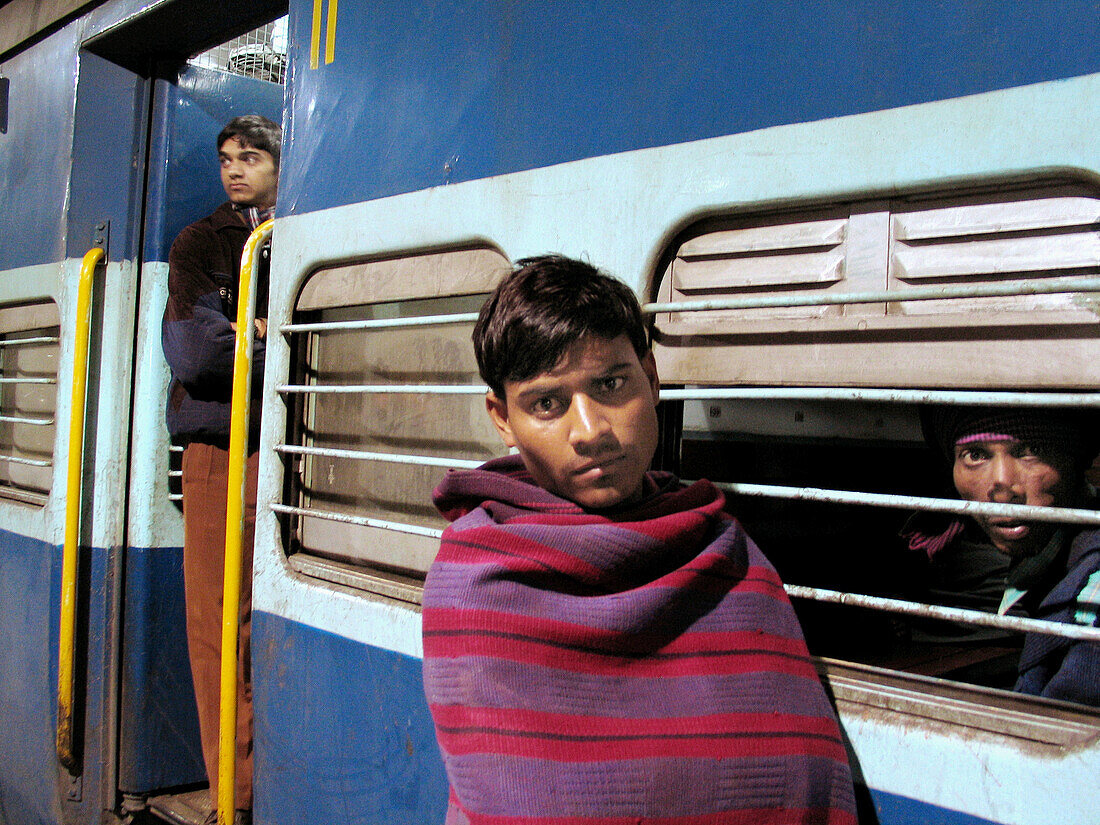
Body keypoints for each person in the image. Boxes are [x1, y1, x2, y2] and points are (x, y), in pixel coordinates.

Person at [422, 255, 856, 824]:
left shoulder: (723, 549)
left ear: (651, 380)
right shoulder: (478, 580)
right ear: (502, 418)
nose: (591, 431)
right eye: (546, 404)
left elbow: (795, 771)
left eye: (610, 384)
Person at [162, 114, 280, 825]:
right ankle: (235, 796)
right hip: (222, 450)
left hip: (295, 442)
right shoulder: (203, 243)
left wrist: (261, 332)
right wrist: (277, 340)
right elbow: (200, 356)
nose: (234, 170)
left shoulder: (305, 234)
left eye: (252, 157)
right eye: (226, 159)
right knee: (219, 622)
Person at [902, 406, 1100, 706]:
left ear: (1075, 460)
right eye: (975, 455)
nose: (1003, 490)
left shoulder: (1091, 590)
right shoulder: (1052, 557)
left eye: (1032, 451)